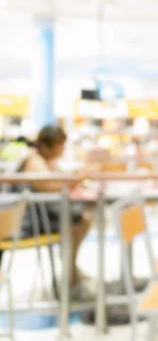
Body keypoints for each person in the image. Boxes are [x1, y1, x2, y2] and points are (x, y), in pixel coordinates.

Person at [17, 126, 92, 297]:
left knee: (82, 219)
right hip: (32, 222)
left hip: (44, 216)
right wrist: (75, 180)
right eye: (61, 145)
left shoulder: (46, 160)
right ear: (50, 145)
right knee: (78, 221)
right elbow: (48, 187)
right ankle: (70, 273)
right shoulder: (34, 161)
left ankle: (71, 270)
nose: (63, 149)